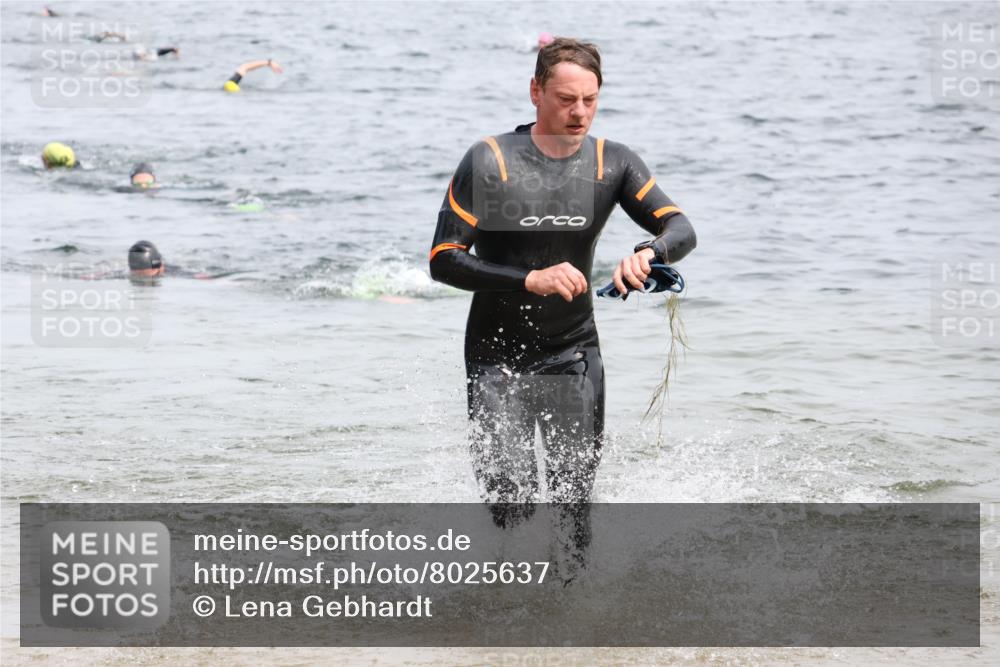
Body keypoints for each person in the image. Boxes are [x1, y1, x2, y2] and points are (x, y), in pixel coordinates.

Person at [428, 38, 697, 570]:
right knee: (512, 504)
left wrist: (648, 253)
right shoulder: (491, 160)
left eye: (590, 100)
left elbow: (680, 228)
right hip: (494, 357)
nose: (579, 113)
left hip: (573, 353)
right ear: (535, 92)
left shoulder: (610, 162)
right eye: (566, 99)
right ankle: (508, 613)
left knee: (572, 505)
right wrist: (530, 278)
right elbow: (444, 259)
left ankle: (576, 623)